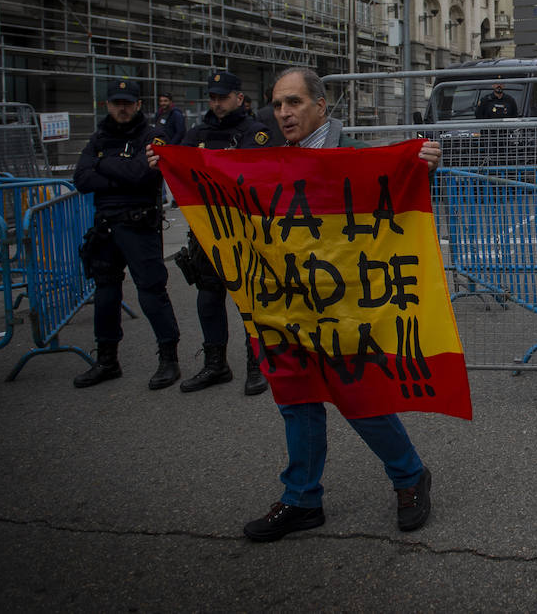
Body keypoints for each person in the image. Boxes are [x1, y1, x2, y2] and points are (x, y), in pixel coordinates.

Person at [242, 65, 438, 542]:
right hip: (286, 306)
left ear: (320, 107)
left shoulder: (351, 157)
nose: (283, 112)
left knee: (359, 397)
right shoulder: (271, 157)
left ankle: (410, 476)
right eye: (278, 103)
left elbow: (393, 185)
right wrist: (167, 162)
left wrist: (422, 161)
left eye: (293, 103)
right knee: (296, 399)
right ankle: (301, 499)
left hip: (341, 305)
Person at [72, 78, 182, 390]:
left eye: (127, 102)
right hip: (105, 226)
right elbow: (81, 177)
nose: (122, 108)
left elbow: (141, 175)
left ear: (137, 105)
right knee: (106, 293)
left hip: (139, 225)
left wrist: (104, 164)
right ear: (107, 104)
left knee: (151, 291)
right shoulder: (99, 137)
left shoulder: (152, 135)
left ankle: (168, 358)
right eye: (116, 102)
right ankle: (107, 360)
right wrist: (120, 171)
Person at [168, 70, 272, 396]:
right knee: (209, 299)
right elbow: (181, 172)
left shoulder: (256, 134)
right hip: (206, 232)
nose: (216, 103)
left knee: (249, 300)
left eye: (222, 97)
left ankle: (258, 364)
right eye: (212, 97)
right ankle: (216, 364)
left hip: (243, 233)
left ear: (239, 98)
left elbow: (254, 180)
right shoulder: (195, 133)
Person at [154, 92, 186, 207]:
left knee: (174, 175)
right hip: (161, 149)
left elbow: (180, 131)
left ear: (171, 102)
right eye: (161, 101)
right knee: (159, 172)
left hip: (173, 149)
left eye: (165, 101)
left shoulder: (176, 114)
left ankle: (177, 199)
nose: (163, 103)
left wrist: (171, 146)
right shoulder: (159, 114)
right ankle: (162, 197)